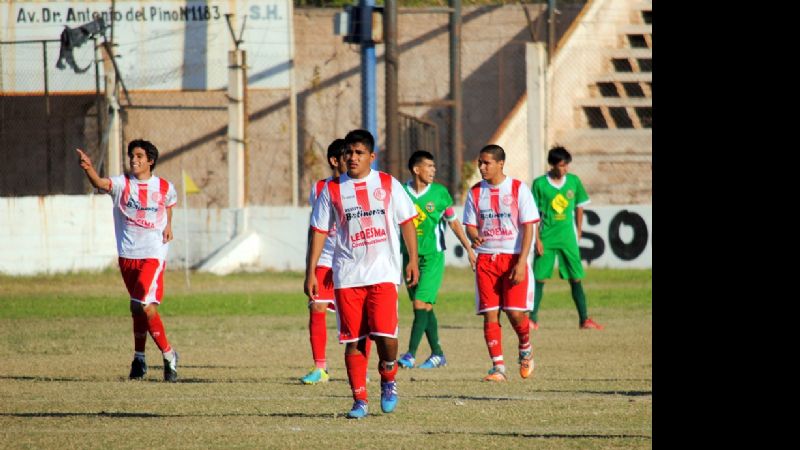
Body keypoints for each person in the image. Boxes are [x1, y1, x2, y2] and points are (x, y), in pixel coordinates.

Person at [304, 129, 419, 419]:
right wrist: (311, 271)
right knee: (353, 340)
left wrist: (412, 259)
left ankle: (389, 376)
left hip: (383, 272)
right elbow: (318, 231)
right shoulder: (331, 190)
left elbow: (406, 221)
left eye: (358, 153)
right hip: (347, 275)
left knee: (385, 336)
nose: (352, 157)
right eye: (348, 153)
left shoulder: (387, 183)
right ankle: (360, 400)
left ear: (371, 156)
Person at [76, 140, 180, 382]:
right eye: (131, 155)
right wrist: (89, 169)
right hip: (128, 255)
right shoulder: (122, 183)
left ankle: (167, 356)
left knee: (143, 303)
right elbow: (100, 183)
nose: (134, 159)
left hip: (154, 252)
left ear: (150, 161)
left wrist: (168, 225)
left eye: (139, 156)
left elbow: (169, 205)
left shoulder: (165, 186)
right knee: (138, 306)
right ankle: (143, 358)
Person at [463, 144, 539, 382]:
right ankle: (498, 368)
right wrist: (475, 237)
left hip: (513, 257)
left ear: (500, 164)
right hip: (486, 259)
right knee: (490, 314)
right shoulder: (475, 192)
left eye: (486, 163)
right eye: (480, 163)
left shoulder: (518, 189)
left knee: (515, 314)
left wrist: (522, 261)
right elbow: (470, 225)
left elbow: (529, 226)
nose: (482, 167)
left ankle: (525, 348)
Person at [299, 138, 372, 384]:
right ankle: (320, 368)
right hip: (326, 258)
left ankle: (363, 367)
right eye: (346, 156)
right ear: (334, 161)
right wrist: (309, 266)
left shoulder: (363, 186)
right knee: (316, 307)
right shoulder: (320, 189)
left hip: (352, 260)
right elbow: (315, 227)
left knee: (362, 318)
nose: (352, 160)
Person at [397, 150, 476, 370]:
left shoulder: (440, 194)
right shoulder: (401, 192)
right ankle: (437, 354)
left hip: (433, 257)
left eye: (434, 167)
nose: (433, 170)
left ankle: (410, 355)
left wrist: (468, 248)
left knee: (420, 303)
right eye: (428, 166)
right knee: (424, 308)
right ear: (416, 169)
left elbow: (453, 222)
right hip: (409, 257)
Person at [529, 146, 604, 330]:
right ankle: (532, 320)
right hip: (546, 237)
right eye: (562, 165)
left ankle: (584, 319)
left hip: (567, 238)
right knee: (539, 277)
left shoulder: (573, 181)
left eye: (566, 165)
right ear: (552, 165)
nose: (565, 169)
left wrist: (578, 230)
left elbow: (580, 205)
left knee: (576, 277)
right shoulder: (539, 184)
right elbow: (533, 214)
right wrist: (537, 239)